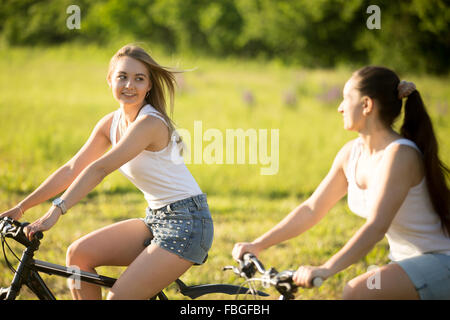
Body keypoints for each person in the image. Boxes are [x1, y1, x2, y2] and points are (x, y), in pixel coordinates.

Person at [0, 44, 214, 300]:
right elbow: (71, 169)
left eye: (139, 79)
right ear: (110, 80)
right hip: (155, 219)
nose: (129, 85)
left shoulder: (150, 123)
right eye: (122, 76)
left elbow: (100, 168)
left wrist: (54, 212)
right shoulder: (110, 124)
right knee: (78, 256)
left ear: (149, 86)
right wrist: (22, 207)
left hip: (188, 223)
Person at [233, 66, 450, 300]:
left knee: (356, 292)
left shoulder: (399, 155)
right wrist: (258, 244)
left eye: (346, 99)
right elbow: (312, 209)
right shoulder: (351, 154)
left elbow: (376, 226)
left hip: (440, 261)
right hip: (404, 264)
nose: (339, 107)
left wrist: (327, 268)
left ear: (366, 105)